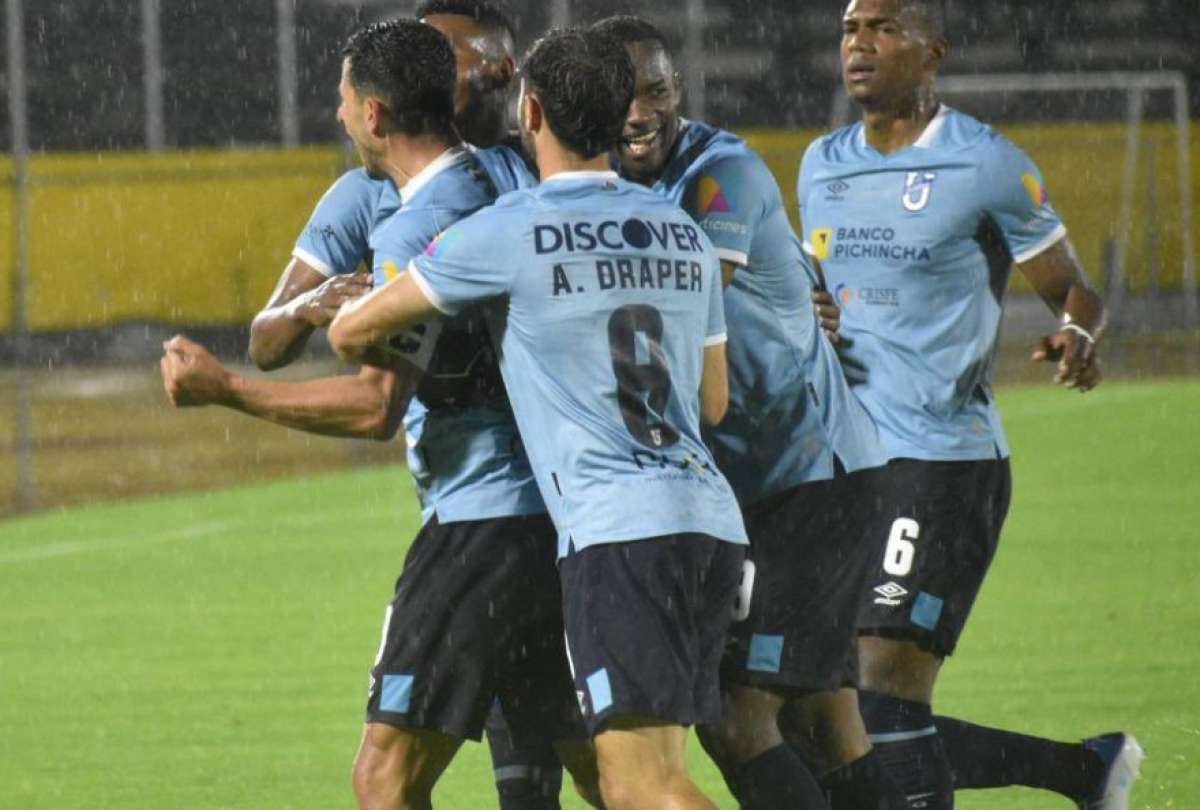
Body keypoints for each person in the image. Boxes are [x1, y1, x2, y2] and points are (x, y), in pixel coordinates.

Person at [161, 19, 601, 810]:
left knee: (384, 778)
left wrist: (226, 389)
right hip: (555, 517)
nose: (334, 115)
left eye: (341, 100)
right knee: (610, 778)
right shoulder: (508, 181)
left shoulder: (412, 225)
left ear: (373, 115)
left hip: (481, 525)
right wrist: (306, 314)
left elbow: (375, 407)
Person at [327, 27, 749, 810]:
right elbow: (712, 399)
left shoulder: (508, 231)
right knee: (634, 776)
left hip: (619, 533)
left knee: (641, 789)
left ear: (530, 111)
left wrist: (353, 297)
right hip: (709, 524)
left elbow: (352, 333)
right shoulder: (681, 232)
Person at [797, 2, 1143, 808]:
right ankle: (1080, 770)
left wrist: (1073, 334)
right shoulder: (821, 164)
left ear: (933, 51)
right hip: (843, 463)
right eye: (851, 28)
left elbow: (1076, 289)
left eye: (882, 27)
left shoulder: (985, 163)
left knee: (881, 698)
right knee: (822, 709)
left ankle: (1080, 771)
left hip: (941, 465)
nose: (859, 43)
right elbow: (819, 291)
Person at [594, 14, 905, 810]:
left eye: (656, 90)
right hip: (758, 488)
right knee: (825, 721)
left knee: (736, 719)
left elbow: (691, 295)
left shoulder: (719, 171)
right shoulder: (605, 183)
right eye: (620, 94)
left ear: (680, 91)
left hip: (813, 477)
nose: (639, 111)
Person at [247, 0, 527, 374]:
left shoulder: (542, 165)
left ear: (503, 72)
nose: (424, 66)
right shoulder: (367, 191)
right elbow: (264, 345)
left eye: (441, 52)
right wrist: (305, 308)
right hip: (453, 427)